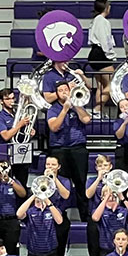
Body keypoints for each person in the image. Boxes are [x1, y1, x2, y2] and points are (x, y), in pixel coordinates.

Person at [47, 81, 91, 222]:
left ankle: (84, 216)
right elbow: (54, 127)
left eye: (66, 89)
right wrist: (65, 109)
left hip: (78, 148)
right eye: (61, 90)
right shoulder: (53, 109)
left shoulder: (79, 104)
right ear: (57, 93)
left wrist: (76, 105)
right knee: (61, 183)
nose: (64, 92)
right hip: (60, 149)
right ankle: (61, 214)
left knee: (81, 183)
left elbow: (86, 120)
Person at [0, 88, 34, 188]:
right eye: (7, 99)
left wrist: (30, 134)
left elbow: (22, 134)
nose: (11, 101)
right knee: (6, 183)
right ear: (1, 101)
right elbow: (6, 136)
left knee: (22, 183)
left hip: (21, 152)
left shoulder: (18, 114)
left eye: (12, 98)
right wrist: (19, 125)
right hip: (6, 154)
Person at [92, 185, 128, 256]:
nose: (111, 196)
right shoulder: (100, 211)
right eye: (107, 194)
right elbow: (95, 218)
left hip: (122, 250)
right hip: (105, 250)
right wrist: (106, 198)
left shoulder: (123, 210)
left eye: (113, 194)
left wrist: (123, 198)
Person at [87, 0, 116, 118]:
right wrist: (110, 55)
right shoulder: (103, 21)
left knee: (101, 84)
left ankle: (98, 111)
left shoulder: (95, 20)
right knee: (113, 84)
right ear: (106, 8)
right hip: (100, 54)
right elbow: (105, 40)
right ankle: (97, 108)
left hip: (94, 52)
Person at [41, 155, 72, 256]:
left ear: (58, 166)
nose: (50, 167)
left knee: (59, 250)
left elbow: (66, 195)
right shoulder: (40, 180)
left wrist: (55, 179)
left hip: (60, 218)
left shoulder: (65, 180)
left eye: (53, 164)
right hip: (43, 218)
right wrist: (45, 180)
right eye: (48, 164)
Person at [86, 154, 112, 256]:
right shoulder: (91, 180)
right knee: (94, 246)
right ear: (96, 168)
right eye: (100, 166)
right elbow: (88, 194)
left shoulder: (116, 178)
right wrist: (99, 178)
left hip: (111, 216)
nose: (103, 168)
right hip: (95, 216)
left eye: (105, 165)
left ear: (110, 166)